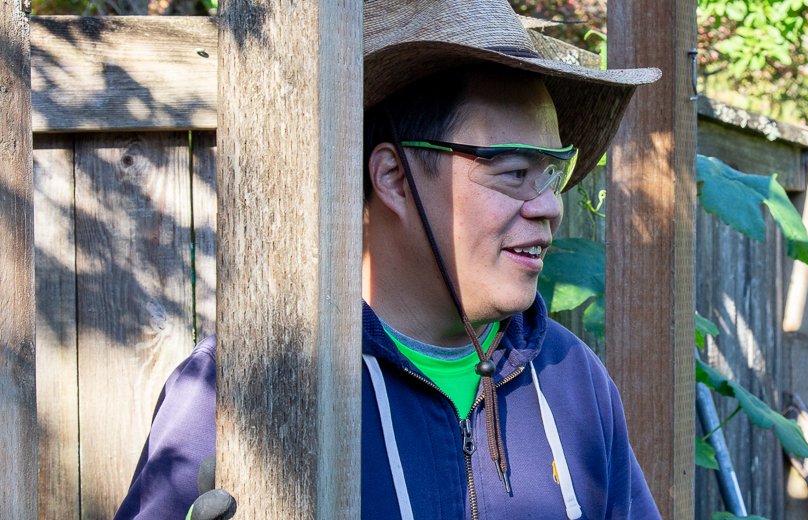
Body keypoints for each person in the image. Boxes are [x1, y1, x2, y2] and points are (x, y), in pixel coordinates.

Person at [113, 0, 662, 517]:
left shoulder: (572, 381)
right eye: (515, 172)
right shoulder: (241, 387)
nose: (549, 206)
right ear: (394, 178)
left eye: (551, 173)